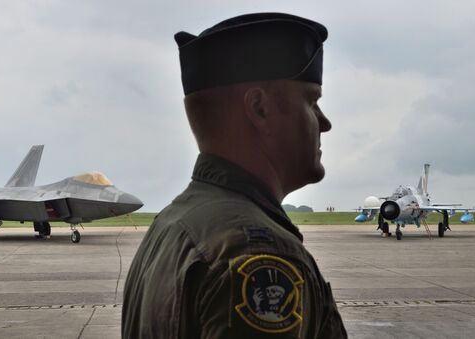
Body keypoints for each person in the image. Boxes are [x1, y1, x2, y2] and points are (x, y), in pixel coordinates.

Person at [122, 12, 347, 338]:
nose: (324, 122)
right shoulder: (256, 256)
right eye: (311, 101)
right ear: (259, 108)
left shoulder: (173, 224)